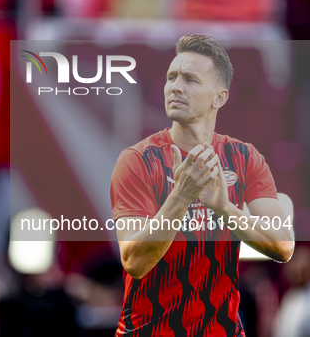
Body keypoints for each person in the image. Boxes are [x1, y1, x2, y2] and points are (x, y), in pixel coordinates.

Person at [109, 34, 295, 336]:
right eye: (172, 77)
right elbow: (134, 261)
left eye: (190, 79)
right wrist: (181, 196)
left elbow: (282, 246)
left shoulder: (245, 157)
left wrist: (223, 208)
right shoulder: (137, 160)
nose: (175, 87)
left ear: (219, 97)